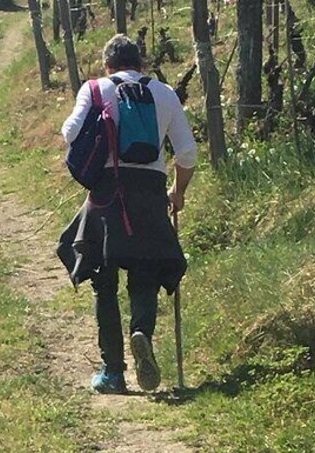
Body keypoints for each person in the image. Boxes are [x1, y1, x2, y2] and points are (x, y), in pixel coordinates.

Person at [58, 34, 197, 394]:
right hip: (150, 193)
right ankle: (142, 332)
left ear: (107, 65)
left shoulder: (96, 88)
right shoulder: (164, 93)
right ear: (141, 64)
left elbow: (70, 132)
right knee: (146, 270)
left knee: (103, 282)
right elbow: (187, 153)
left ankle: (113, 372)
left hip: (107, 193)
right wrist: (178, 193)